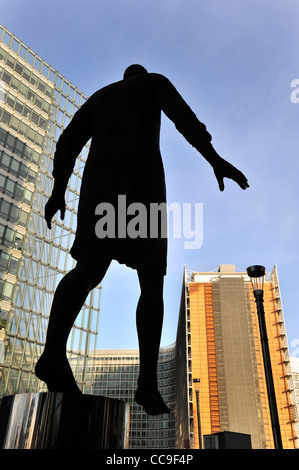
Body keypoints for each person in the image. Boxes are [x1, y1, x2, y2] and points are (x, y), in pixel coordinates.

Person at [35, 64, 249, 415]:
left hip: (100, 184)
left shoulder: (99, 99)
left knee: (89, 268)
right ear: (141, 75)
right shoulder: (154, 82)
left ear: (123, 78)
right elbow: (185, 120)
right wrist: (215, 159)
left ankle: (53, 353)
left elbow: (67, 143)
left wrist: (58, 192)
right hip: (141, 181)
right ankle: (147, 383)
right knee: (150, 282)